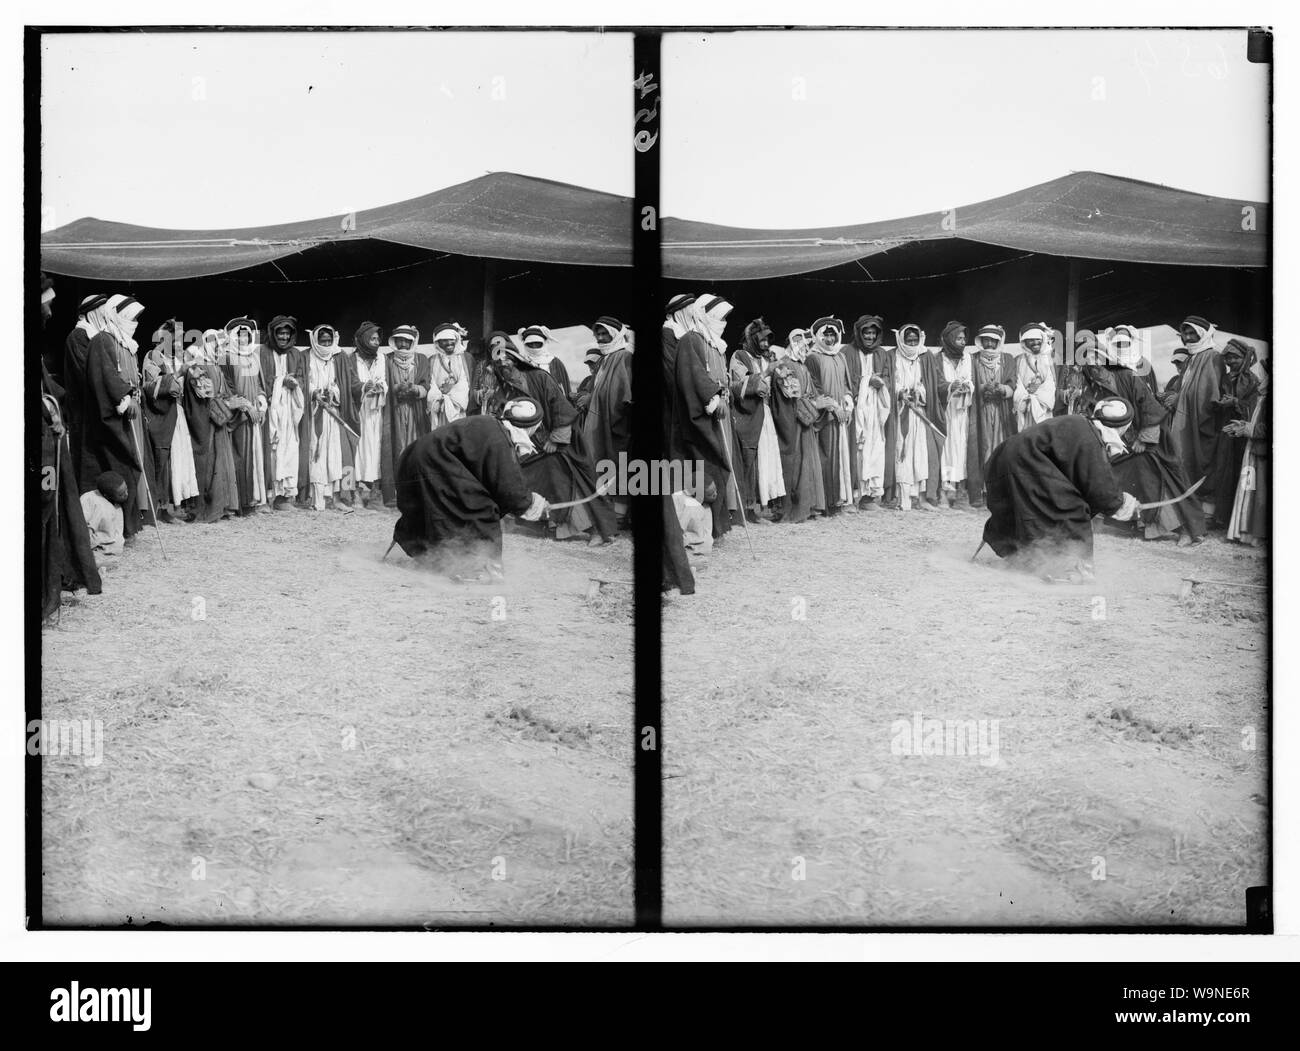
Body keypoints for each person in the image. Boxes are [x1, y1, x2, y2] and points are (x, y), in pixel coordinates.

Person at [391, 398, 550, 582]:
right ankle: (477, 569)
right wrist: (532, 503)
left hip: (414, 457)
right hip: (434, 464)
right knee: (480, 509)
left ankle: (433, 559)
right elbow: (509, 489)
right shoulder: (500, 438)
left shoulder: (489, 424)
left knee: (436, 509)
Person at [981, 400, 1140, 582]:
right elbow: (1098, 484)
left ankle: (1023, 558)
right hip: (1026, 461)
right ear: (1122, 427)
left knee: (1025, 508)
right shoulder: (1090, 438)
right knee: (1071, 509)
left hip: (1004, 456)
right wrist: (1121, 503)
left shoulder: (1080, 423)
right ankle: (1072, 569)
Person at [485, 332, 616, 545]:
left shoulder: (540, 378)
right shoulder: (504, 389)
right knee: (528, 478)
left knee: (564, 477)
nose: (504, 367)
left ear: (516, 359)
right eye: (499, 365)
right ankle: (551, 526)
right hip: (530, 445)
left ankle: (596, 529)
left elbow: (561, 409)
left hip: (559, 441)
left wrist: (555, 439)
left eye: (507, 361)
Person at [1073, 344, 1206, 545]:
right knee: (1120, 477)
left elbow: (1150, 407)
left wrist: (1144, 439)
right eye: (1089, 366)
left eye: (1097, 363)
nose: (1094, 369)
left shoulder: (1128, 376)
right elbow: (1092, 416)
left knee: (1158, 479)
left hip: (1150, 440)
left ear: (1106, 361)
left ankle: (1186, 529)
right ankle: (1144, 526)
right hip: (1121, 443)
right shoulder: (1092, 389)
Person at [80, 294, 148, 540]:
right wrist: (124, 398)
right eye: (129, 318)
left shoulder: (128, 343)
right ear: (115, 315)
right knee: (120, 472)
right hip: (111, 421)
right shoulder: (102, 341)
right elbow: (104, 377)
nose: (134, 323)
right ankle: (112, 529)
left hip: (128, 419)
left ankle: (127, 527)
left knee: (131, 470)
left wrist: (133, 397)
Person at [671, 294, 736, 538]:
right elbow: (693, 375)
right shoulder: (691, 340)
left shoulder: (717, 345)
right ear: (703, 315)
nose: (722, 322)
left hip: (716, 420)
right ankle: (698, 530)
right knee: (703, 475)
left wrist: (722, 395)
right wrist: (713, 397)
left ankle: (715, 527)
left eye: (725, 319)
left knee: (719, 469)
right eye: (718, 317)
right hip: (698, 422)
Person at [141, 319, 199, 523]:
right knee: (165, 459)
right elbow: (150, 386)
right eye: (173, 340)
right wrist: (178, 375)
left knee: (178, 458)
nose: (176, 344)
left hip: (177, 413)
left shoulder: (171, 359)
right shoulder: (152, 356)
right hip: (163, 416)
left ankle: (174, 505)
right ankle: (161, 508)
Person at [729, 318, 785, 522]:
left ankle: (764, 505)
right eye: (761, 341)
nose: (765, 344)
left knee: (767, 458)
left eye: (767, 341)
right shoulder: (739, 356)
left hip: (766, 414)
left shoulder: (767, 358)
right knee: (750, 459)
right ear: (751, 340)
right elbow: (739, 383)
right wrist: (767, 372)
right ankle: (748, 509)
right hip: (749, 416)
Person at [1168, 315, 1224, 519]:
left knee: (1197, 464)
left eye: (1193, 333)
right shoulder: (1192, 358)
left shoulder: (1212, 356)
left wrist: (1179, 399)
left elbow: (1209, 395)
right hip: (1184, 419)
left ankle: (1199, 516)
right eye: (1186, 333)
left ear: (1203, 334)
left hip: (1199, 422)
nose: (1189, 337)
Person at [769, 328, 827, 524]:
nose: (803, 346)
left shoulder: (803, 367)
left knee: (805, 463)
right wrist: (809, 405)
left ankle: (804, 507)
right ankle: (788, 510)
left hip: (804, 422)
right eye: (799, 342)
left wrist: (818, 403)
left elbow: (809, 392)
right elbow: (790, 395)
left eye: (806, 343)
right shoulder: (783, 364)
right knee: (791, 465)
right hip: (790, 422)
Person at [183, 330, 242, 523]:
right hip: (206, 423)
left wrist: (232, 401)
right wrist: (226, 404)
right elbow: (204, 396)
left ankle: (222, 506)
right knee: (207, 464)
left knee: (221, 462)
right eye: (218, 346)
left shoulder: (216, 367)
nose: (220, 350)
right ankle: (206, 509)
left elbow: (222, 393)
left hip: (218, 423)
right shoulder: (198, 366)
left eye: (223, 347)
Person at [883, 324, 941, 511]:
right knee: (902, 452)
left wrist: (919, 392)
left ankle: (922, 499)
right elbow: (889, 381)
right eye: (908, 340)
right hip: (899, 413)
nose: (912, 343)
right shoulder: (892, 355)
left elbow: (929, 382)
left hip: (919, 412)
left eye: (915, 340)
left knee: (921, 455)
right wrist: (900, 393)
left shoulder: (925, 356)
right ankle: (903, 500)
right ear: (901, 340)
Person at [583, 316, 634, 525]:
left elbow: (624, 394)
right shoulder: (605, 359)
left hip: (614, 423)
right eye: (599, 334)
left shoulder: (623, 357)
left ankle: (618, 516)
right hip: (599, 423)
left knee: (616, 467)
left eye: (605, 334)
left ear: (615, 335)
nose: (601, 338)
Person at [804, 317, 855, 514]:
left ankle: (840, 501)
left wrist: (847, 405)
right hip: (825, 415)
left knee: (841, 456)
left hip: (841, 415)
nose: (829, 338)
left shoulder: (840, 356)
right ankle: (825, 504)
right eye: (825, 334)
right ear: (817, 336)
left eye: (833, 334)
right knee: (826, 456)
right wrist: (834, 408)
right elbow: (815, 389)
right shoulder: (813, 357)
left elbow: (846, 385)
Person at [1209, 338, 1262, 528]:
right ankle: (1221, 518)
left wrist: (1236, 404)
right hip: (1225, 432)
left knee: (1240, 473)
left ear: (1245, 359)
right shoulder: (1225, 378)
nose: (1231, 362)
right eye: (1228, 358)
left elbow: (1255, 410)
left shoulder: (1252, 380)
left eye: (1235, 358)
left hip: (1241, 435)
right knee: (1223, 471)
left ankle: (1239, 520)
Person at [304, 323, 356, 511]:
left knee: (339, 454)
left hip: (334, 411)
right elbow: (305, 381)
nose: (325, 344)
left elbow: (345, 382)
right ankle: (317, 500)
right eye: (322, 340)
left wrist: (333, 392)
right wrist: (314, 392)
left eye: (329, 340)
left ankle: (339, 498)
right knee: (317, 454)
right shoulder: (306, 356)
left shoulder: (339, 356)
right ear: (315, 340)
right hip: (315, 411)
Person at [966, 323, 1019, 507]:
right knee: (982, 447)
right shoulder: (972, 359)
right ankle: (979, 491)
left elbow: (1013, 383)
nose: (989, 343)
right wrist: (982, 389)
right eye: (986, 339)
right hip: (980, 411)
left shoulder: (1007, 359)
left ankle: (1000, 493)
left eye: (993, 340)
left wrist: (1001, 389)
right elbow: (969, 382)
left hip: (1001, 410)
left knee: (1001, 449)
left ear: (999, 341)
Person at [220, 316, 268, 515]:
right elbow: (226, 387)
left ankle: (254, 501)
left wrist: (261, 402)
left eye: (246, 335)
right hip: (238, 415)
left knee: (255, 455)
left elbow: (258, 384)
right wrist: (246, 406)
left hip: (254, 415)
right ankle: (240, 504)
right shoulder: (225, 356)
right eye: (239, 335)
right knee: (240, 456)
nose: (243, 339)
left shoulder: (253, 356)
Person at [380, 324, 431, 505]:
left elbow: (426, 385)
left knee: (415, 449)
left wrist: (414, 390)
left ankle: (416, 493)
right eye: (399, 340)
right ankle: (395, 492)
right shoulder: (386, 359)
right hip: (395, 410)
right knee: (397, 448)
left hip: (415, 411)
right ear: (394, 341)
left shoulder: (421, 359)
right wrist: (397, 389)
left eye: (406, 340)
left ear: (412, 341)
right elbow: (383, 383)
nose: (403, 343)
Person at [62, 293, 109, 490]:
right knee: (86, 458)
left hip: (95, 407)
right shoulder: (78, 336)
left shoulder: (93, 336)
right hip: (84, 409)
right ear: (90, 314)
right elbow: (87, 372)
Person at [260, 314, 305, 510]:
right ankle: (267, 496)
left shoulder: (296, 354)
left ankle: (284, 497)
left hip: (290, 410)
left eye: (287, 333)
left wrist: (294, 384)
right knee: (271, 449)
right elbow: (260, 379)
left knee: (289, 450)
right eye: (280, 333)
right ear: (273, 333)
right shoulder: (262, 352)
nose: (284, 337)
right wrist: (279, 383)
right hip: (271, 408)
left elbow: (302, 377)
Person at [1225, 356, 1269, 547]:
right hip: (1253, 451)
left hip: (1262, 454)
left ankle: (1258, 533)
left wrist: (1249, 429)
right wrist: (1244, 425)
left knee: (1259, 494)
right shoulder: (1264, 395)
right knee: (1249, 488)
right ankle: (1246, 531)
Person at [345, 320, 389, 509]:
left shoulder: (383, 359)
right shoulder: (350, 359)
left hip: (377, 412)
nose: (377, 341)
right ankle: (352, 492)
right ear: (363, 340)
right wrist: (364, 387)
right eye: (372, 338)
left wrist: (380, 387)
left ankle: (373, 492)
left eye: (378, 338)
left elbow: (386, 380)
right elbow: (348, 382)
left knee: (376, 451)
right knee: (357, 452)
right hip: (358, 411)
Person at [848, 315, 889, 509]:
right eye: (866, 333)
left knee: (875, 450)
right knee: (858, 449)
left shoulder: (882, 354)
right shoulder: (847, 352)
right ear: (859, 333)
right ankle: (853, 495)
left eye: (873, 333)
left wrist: (880, 383)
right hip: (857, 409)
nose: (870, 337)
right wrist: (866, 382)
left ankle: (869, 497)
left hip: (876, 409)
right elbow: (846, 379)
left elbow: (888, 377)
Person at [934, 320, 974, 509]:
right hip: (946, 412)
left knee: (963, 449)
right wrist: (951, 387)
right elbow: (935, 383)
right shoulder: (937, 359)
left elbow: (972, 380)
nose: (963, 341)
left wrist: (967, 386)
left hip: (963, 412)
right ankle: (945, 492)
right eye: (958, 338)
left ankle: (961, 492)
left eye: (964, 338)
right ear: (949, 339)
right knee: (947, 451)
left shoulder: (968, 358)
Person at [80, 471, 129, 570]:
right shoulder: (94, 503)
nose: (126, 494)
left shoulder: (114, 502)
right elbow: (84, 530)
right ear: (106, 495)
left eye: (126, 490)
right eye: (121, 494)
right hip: (91, 544)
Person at [1012, 322, 1056, 432]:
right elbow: (1018, 383)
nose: (1035, 342)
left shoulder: (1049, 359)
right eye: (1031, 340)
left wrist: (1037, 395)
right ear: (1024, 342)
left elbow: (1051, 384)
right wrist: (1026, 396)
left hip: (1043, 408)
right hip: (1026, 407)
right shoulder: (1019, 360)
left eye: (1038, 339)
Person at [428, 322, 472, 428]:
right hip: (439, 407)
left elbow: (465, 383)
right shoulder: (432, 360)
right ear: (438, 342)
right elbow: (431, 383)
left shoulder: (466, 358)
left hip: (458, 408)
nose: (448, 343)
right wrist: (441, 398)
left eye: (451, 339)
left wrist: (450, 396)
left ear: (456, 339)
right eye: (444, 340)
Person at [518, 324, 572, 397]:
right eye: (530, 344)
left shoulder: (555, 362)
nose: (534, 347)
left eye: (537, 343)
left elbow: (565, 387)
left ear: (544, 342)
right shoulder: (521, 362)